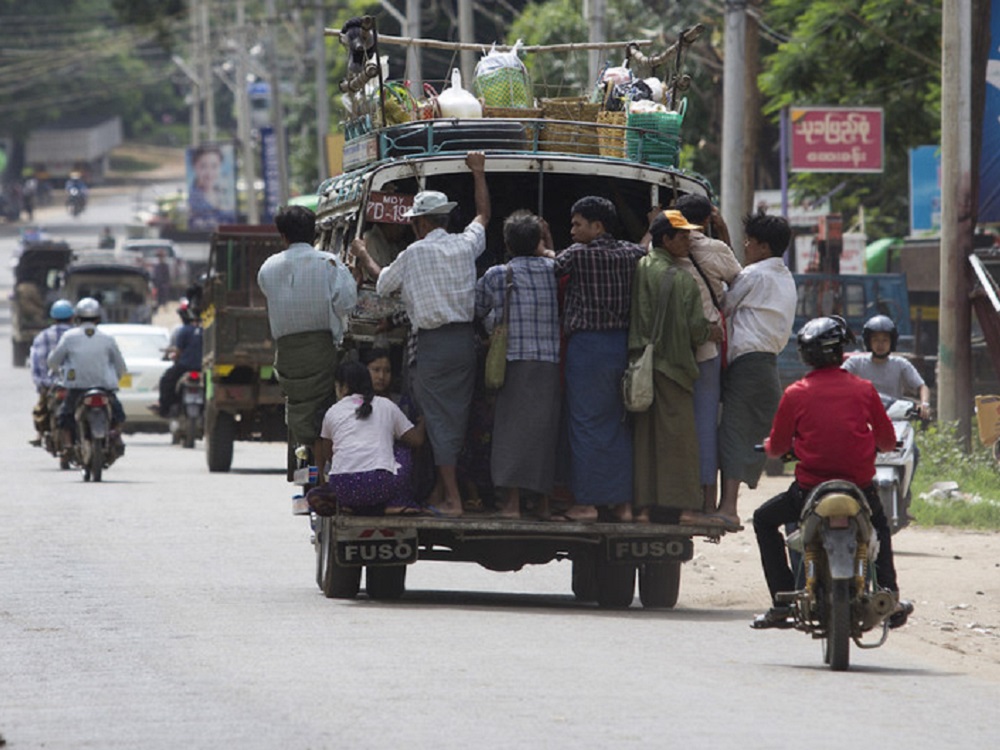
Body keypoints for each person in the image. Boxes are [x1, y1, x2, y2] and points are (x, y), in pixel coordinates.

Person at [351, 151, 490, 516]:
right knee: (457, 417)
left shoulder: (413, 253)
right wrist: (479, 172)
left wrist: (363, 255)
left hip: (433, 347)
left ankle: (451, 498)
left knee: (436, 420)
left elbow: (382, 283)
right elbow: (483, 215)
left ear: (422, 224)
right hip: (465, 343)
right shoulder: (464, 244)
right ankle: (448, 493)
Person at [751, 316, 913, 630]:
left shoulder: (796, 393)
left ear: (805, 354)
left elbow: (778, 446)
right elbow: (886, 440)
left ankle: (782, 603)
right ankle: (889, 596)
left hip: (809, 490)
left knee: (762, 519)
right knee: (879, 526)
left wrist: (771, 446)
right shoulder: (864, 390)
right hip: (859, 487)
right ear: (842, 352)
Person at [553, 196, 645, 521]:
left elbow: (550, 266)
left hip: (587, 349)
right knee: (617, 424)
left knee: (585, 425)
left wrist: (539, 248)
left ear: (597, 226)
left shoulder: (576, 255)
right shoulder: (632, 254)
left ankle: (587, 503)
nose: (572, 230)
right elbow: (645, 247)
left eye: (578, 224)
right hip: (621, 347)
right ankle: (623, 505)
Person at [630, 210, 721, 524]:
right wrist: (712, 331)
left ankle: (641, 509)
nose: (688, 241)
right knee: (681, 442)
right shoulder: (682, 279)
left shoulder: (640, 267)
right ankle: (685, 508)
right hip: (675, 367)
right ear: (665, 240)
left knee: (645, 441)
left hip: (641, 366)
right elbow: (696, 331)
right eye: (682, 236)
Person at [257, 205, 358, 473]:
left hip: (287, 356)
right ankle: (324, 476)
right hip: (321, 351)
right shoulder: (329, 263)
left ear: (283, 236)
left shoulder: (268, 268)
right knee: (324, 413)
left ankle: (306, 469)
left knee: (299, 412)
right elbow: (348, 303)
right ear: (313, 232)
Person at [475, 210, 561, 519]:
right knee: (546, 432)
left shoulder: (499, 274)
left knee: (510, 432)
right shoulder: (555, 269)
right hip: (551, 361)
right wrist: (549, 241)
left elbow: (478, 306)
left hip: (512, 362)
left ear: (507, 245)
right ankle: (543, 503)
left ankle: (510, 503)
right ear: (539, 241)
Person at [716, 210, 797, 529]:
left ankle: (728, 507)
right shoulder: (784, 277)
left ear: (763, 247)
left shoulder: (755, 276)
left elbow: (724, 304)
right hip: (767, 363)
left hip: (747, 364)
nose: (746, 247)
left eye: (748, 242)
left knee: (734, 432)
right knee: (759, 433)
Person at [673, 194, 742, 517]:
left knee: (672, 424)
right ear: (706, 220)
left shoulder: (663, 246)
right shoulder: (715, 249)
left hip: (668, 351)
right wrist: (723, 231)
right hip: (706, 349)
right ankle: (702, 500)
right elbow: (738, 284)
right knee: (704, 424)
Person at [309, 360, 425, 515]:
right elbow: (416, 440)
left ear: (343, 387)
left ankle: (351, 506)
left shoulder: (332, 411)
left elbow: (329, 455)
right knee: (402, 448)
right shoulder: (387, 405)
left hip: (343, 489)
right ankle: (392, 504)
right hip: (381, 486)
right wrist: (424, 422)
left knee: (313, 495)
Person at [46, 298, 127, 453]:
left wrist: (58, 370)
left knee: (65, 416)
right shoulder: (107, 339)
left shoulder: (69, 337)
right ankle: (116, 436)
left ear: (77, 317)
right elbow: (121, 366)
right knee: (118, 414)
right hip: (104, 387)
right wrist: (115, 378)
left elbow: (53, 362)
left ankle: (68, 445)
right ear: (98, 318)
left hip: (77, 387)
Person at [843, 315, 931, 420]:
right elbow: (837, 378)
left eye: (884, 340)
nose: (880, 345)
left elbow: (922, 386)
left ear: (891, 342)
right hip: (864, 420)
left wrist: (924, 405)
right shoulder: (856, 362)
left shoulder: (900, 364)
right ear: (869, 342)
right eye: (875, 340)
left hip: (894, 420)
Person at [28, 299, 74, 445]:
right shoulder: (76, 335)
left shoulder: (43, 336)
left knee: (41, 409)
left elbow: (36, 362)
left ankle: (40, 434)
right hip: (75, 383)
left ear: (53, 318)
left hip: (50, 385)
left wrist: (41, 383)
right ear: (72, 317)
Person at [153, 300, 203, 418]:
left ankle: (164, 409)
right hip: (202, 367)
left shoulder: (183, 331)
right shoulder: (203, 331)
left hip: (184, 367)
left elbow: (178, 351)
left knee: (165, 381)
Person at [188, 145, 235, 229]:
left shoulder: (225, 195)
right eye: (203, 166)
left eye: (214, 166)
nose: (209, 173)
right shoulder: (193, 198)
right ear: (194, 167)